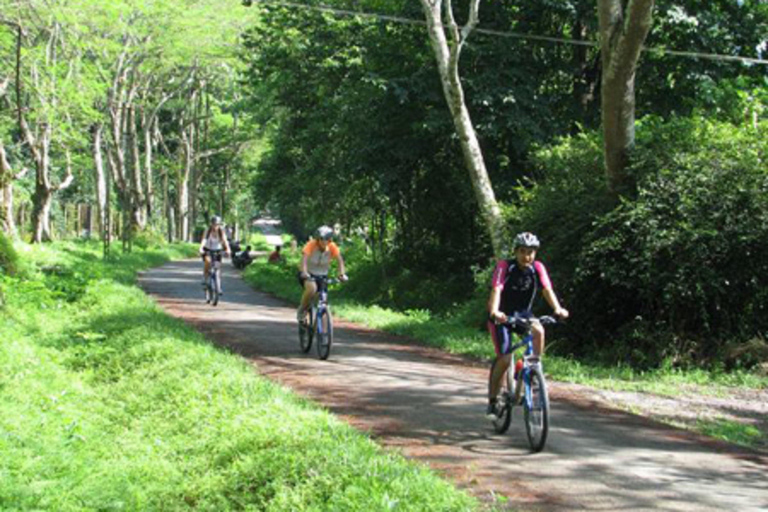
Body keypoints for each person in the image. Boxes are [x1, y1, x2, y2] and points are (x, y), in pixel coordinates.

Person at [486, 232, 569, 420]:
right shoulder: (505, 266)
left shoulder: (537, 268)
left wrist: (558, 309)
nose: (527, 256)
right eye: (523, 251)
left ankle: (532, 368)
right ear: (515, 252)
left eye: (531, 252)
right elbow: (496, 289)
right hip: (502, 315)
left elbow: (547, 289)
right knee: (505, 358)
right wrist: (495, 311)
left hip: (523, 315)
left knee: (539, 329)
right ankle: (492, 401)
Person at [297, 225, 348, 323]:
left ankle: (322, 330)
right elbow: (304, 259)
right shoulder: (311, 245)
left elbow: (340, 261)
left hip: (322, 275)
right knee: (312, 288)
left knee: (322, 297)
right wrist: (304, 272)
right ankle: (302, 309)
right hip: (308, 273)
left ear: (330, 240)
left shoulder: (332, 246)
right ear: (317, 239)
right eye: (321, 239)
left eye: (327, 239)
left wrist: (341, 274)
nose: (324, 242)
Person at [198, 215, 231, 289]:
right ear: (211, 224)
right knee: (207, 261)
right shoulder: (208, 230)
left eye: (217, 224)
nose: (215, 226)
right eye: (214, 224)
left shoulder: (221, 231)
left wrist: (228, 249)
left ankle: (218, 286)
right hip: (208, 249)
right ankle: (205, 277)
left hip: (217, 249)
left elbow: (225, 241)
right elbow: (204, 240)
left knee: (217, 267)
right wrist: (201, 248)